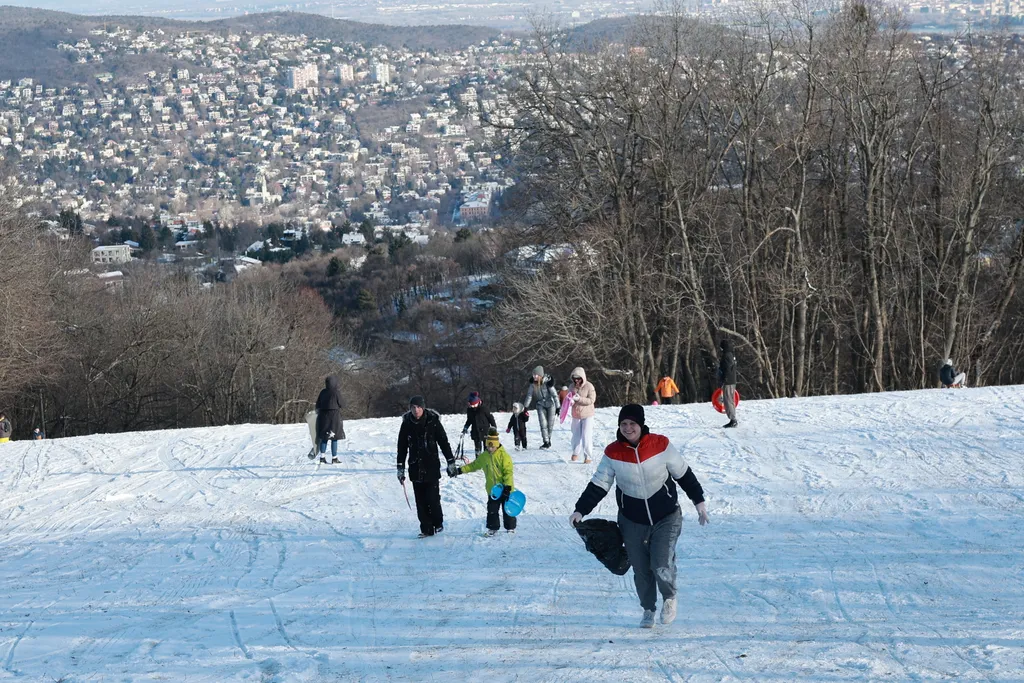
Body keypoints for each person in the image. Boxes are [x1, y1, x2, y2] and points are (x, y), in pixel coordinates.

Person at [570, 404, 709, 629]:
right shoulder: (613, 452)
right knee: (641, 568)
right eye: (623, 424)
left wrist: (699, 501)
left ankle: (670, 598)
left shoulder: (660, 445)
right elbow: (599, 484)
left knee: (661, 563)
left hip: (666, 516)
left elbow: (683, 474)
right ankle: (648, 609)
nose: (628, 428)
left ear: (641, 425)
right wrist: (580, 509)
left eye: (632, 423)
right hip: (632, 520)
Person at [398, 395, 457, 538]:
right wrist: (400, 467)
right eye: (413, 407)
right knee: (420, 501)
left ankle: (438, 523)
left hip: (431, 465)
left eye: (418, 407)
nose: (416, 410)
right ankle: (426, 528)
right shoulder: (406, 423)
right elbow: (402, 446)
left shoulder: (433, 421)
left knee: (433, 498)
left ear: (423, 408)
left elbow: (443, 442)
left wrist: (450, 461)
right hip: (415, 467)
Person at [451, 428, 516, 535]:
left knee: (507, 509)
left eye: (492, 446)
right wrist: (460, 470)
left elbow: (508, 472)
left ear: (497, 445)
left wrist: (508, 487)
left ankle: (510, 527)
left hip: (505, 489)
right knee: (492, 510)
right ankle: (493, 528)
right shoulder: (484, 456)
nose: (490, 449)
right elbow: (474, 465)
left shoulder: (504, 456)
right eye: (488, 446)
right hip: (493, 490)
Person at [524, 366, 559, 449]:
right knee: (543, 424)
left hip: (550, 405)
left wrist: (558, 407)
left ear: (540, 375)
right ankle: (546, 442)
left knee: (550, 425)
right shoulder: (533, 385)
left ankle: (548, 439)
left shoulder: (548, 383)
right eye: (533, 375)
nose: (534, 377)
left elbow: (555, 395)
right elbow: (529, 396)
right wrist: (525, 407)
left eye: (536, 375)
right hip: (540, 405)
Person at [568, 367, 596, 463]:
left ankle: (587, 456)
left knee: (586, 436)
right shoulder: (571, 387)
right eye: (575, 378)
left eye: (578, 378)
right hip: (576, 414)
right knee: (575, 435)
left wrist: (579, 399)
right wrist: (570, 401)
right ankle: (575, 452)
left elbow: (591, 400)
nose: (576, 380)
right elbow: (568, 398)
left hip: (587, 414)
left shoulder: (589, 386)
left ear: (582, 377)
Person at [315, 375, 345, 464]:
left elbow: (317, 405)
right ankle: (334, 458)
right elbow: (342, 404)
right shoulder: (336, 392)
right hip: (334, 417)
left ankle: (322, 457)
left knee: (324, 437)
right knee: (334, 437)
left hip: (323, 417)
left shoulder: (323, 392)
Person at [462, 391, 496, 455]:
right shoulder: (469, 410)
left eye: (474, 405)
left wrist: (494, 427)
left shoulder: (484, 409)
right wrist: (465, 427)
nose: (472, 407)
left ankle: (487, 459)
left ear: (477, 403)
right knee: (477, 448)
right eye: (471, 405)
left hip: (485, 430)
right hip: (475, 431)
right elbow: (469, 420)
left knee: (487, 447)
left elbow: (490, 418)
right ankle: (478, 459)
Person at [718, 339, 738, 428]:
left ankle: (733, 420)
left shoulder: (726, 356)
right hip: (731, 380)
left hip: (728, 381)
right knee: (730, 400)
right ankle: (732, 419)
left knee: (728, 400)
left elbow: (727, 369)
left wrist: (724, 379)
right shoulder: (730, 355)